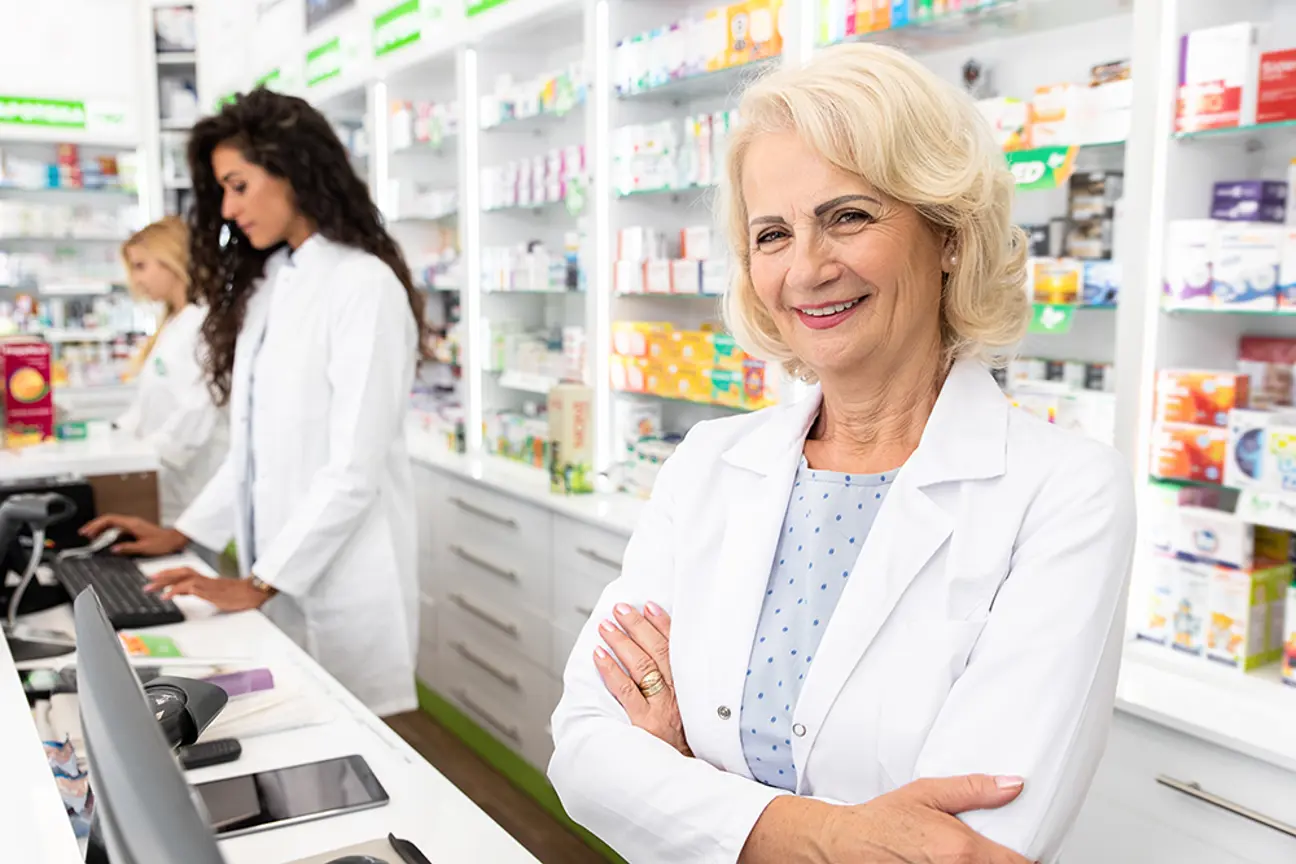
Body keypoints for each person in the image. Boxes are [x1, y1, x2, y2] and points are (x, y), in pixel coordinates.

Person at [548, 43, 1136, 864]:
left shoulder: (1065, 492)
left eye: (849, 216)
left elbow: (967, 845)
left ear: (949, 236)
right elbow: (584, 752)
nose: (806, 269)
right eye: (772, 234)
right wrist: (827, 834)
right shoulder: (712, 461)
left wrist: (681, 776)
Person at [81, 88, 428, 716]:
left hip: (342, 579)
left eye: (239, 185)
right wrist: (180, 533)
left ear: (292, 168)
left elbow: (354, 468)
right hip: (277, 574)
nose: (230, 208)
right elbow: (251, 452)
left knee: (356, 750)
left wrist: (262, 580)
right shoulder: (272, 286)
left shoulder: (362, 285)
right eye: (223, 192)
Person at [115, 217, 227, 526]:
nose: (136, 280)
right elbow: (148, 405)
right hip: (166, 482)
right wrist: (115, 439)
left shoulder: (204, 324)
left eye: (141, 266)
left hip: (193, 484)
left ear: (171, 260)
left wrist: (146, 455)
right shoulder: (174, 323)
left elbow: (199, 407)